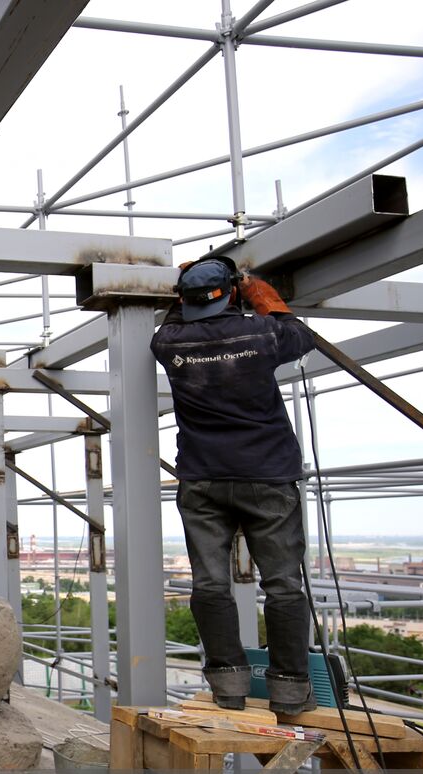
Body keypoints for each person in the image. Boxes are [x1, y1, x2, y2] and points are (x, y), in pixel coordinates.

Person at [151, 257, 317, 715]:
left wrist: (190, 288)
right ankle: (290, 691)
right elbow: (300, 335)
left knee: (210, 584)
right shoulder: (261, 334)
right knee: (283, 585)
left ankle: (228, 688)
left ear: (183, 301)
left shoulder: (168, 342)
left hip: (203, 480)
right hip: (267, 476)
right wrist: (256, 290)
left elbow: (173, 320)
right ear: (231, 295)